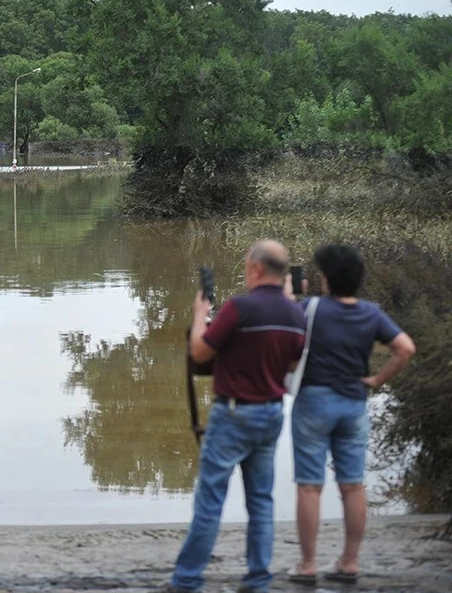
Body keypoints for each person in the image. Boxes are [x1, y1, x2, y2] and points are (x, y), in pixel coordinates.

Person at [162, 240, 306, 593]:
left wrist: (200, 316)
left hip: (233, 414)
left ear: (256, 269)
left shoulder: (239, 308)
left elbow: (199, 350)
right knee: (261, 501)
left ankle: (187, 580)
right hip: (272, 413)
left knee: (210, 500)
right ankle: (258, 579)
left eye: (246, 267)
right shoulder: (296, 314)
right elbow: (290, 363)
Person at [288, 244, 415, 586]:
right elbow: (405, 349)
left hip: (313, 401)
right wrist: (376, 379)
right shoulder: (372, 313)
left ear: (326, 279)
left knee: (310, 487)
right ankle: (349, 562)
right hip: (354, 404)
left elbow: (286, 339)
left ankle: (309, 564)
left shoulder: (310, 307)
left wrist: (290, 297)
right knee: (353, 485)